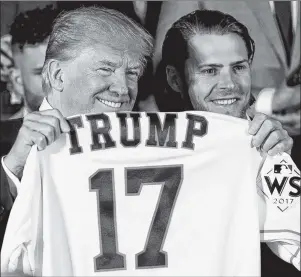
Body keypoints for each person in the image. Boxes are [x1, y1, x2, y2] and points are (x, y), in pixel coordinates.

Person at [158, 8, 299, 275]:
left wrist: (280, 166)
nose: (229, 84)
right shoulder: (141, 147)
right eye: (209, 70)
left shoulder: (265, 143)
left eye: (238, 68)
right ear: (175, 79)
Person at [8, 5, 60, 119]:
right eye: (45, 73)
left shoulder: (104, 131)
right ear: (18, 81)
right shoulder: (5, 135)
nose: (60, 83)